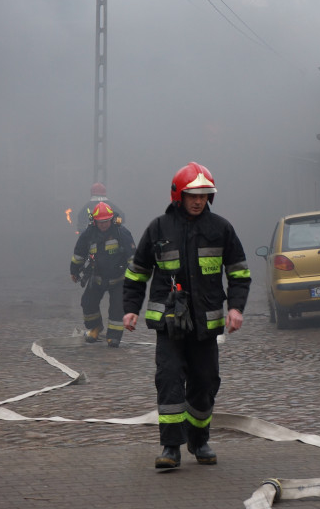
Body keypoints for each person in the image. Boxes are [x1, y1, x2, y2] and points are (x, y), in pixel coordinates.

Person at [122, 162, 250, 469]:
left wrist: (235, 308)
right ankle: (170, 447)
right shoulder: (158, 228)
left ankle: (199, 440)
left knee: (205, 382)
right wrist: (130, 309)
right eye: (193, 195)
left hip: (205, 325)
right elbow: (137, 273)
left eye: (205, 196)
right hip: (169, 323)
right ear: (178, 195)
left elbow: (239, 273)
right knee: (169, 380)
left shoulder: (220, 229)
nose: (198, 201)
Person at [70, 202, 136, 347]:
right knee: (88, 303)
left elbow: (132, 256)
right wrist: (74, 271)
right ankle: (95, 328)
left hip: (119, 279)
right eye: (100, 222)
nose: (104, 225)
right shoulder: (88, 234)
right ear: (94, 221)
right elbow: (79, 254)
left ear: (111, 219)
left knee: (117, 309)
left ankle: (114, 337)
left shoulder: (121, 233)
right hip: (97, 278)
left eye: (106, 221)